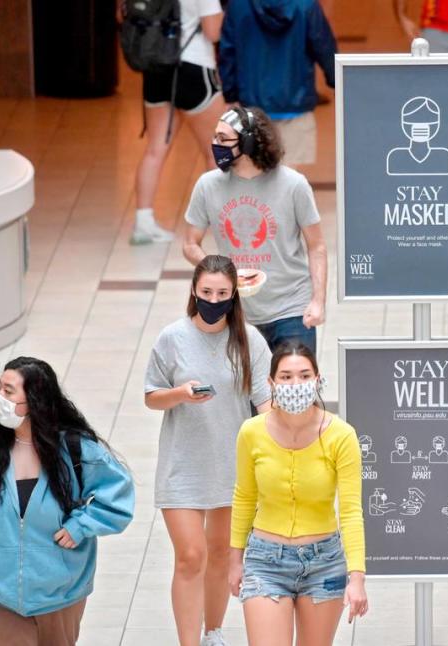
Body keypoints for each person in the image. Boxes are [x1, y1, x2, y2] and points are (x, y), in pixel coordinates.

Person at [0, 357, 134, 646]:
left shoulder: (74, 449)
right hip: (0, 593)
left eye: (9, 391)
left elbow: (119, 499)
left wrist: (81, 526)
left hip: (62, 592)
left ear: (35, 400)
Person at [144, 255, 274, 646]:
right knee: (190, 556)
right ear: (194, 291)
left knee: (220, 554)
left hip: (231, 466)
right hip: (182, 465)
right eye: (206, 292)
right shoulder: (172, 338)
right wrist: (180, 394)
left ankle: (212, 632)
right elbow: (152, 397)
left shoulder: (249, 341)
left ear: (234, 295)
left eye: (222, 293)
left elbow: (265, 403)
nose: (213, 300)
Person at [228, 342, 368, 645]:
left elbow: (351, 510)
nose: (296, 384)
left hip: (324, 561)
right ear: (271, 383)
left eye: (304, 376)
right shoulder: (251, 432)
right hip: (265, 560)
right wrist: (235, 559)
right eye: (286, 377)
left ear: (318, 379)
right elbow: (244, 497)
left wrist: (356, 578)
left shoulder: (342, 435)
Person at [183, 108, 327, 354]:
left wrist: (317, 301)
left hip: (292, 308)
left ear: (248, 143)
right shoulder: (207, 185)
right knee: (245, 392)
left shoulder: (293, 184)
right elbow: (190, 244)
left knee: (295, 390)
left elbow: (317, 246)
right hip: (236, 312)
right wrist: (217, 267)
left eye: (223, 139)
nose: (214, 144)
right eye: (215, 137)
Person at [131, 0, 227, 245]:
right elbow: (213, 30)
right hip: (193, 68)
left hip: (156, 66)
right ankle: (221, 222)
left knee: (155, 149)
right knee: (215, 150)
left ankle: (143, 222)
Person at [219, 0, 336, 167]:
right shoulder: (306, 5)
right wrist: (337, 83)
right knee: (289, 179)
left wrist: (230, 94)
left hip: (251, 108)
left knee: (254, 177)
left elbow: (227, 52)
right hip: (295, 106)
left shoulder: (238, 5)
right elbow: (324, 48)